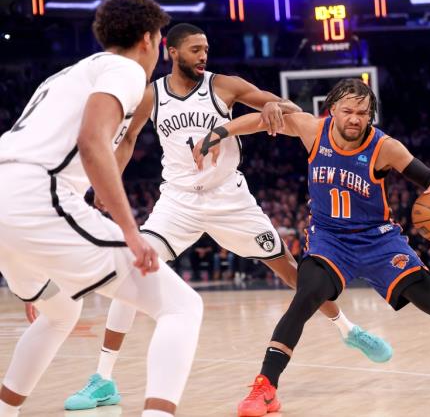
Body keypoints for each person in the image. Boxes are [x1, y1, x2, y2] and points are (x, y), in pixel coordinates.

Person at [60, 23, 390, 411]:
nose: (203, 55)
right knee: (134, 271)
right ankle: (103, 379)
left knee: (291, 272)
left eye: (206, 49)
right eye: (196, 49)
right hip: (177, 202)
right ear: (173, 51)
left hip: (229, 200)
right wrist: (107, 181)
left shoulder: (225, 85)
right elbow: (128, 138)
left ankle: (348, 330)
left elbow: (293, 111)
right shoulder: (152, 96)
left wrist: (272, 105)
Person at [194, 79, 430, 416]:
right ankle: (265, 386)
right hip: (329, 239)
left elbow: (429, 176)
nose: (355, 119)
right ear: (332, 109)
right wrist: (218, 132)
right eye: (348, 111)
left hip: (378, 241)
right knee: (306, 296)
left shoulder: (384, 147)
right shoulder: (311, 129)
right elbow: (260, 120)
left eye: (363, 113)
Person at [0, 0, 203, 417]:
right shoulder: (125, 69)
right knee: (182, 306)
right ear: (148, 39)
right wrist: (131, 232)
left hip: (12, 196)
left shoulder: (63, 76)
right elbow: (92, 142)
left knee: (58, 309)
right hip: (36, 195)